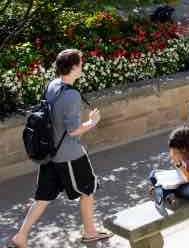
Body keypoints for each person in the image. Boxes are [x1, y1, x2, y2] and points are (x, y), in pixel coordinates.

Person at [8, 49, 112, 247]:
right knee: (88, 189)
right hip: (69, 155)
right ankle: (90, 232)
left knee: (43, 197)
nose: (82, 66)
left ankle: (20, 236)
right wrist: (92, 122)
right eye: (81, 63)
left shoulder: (53, 85)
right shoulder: (71, 95)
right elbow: (73, 131)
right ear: (73, 67)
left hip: (50, 154)